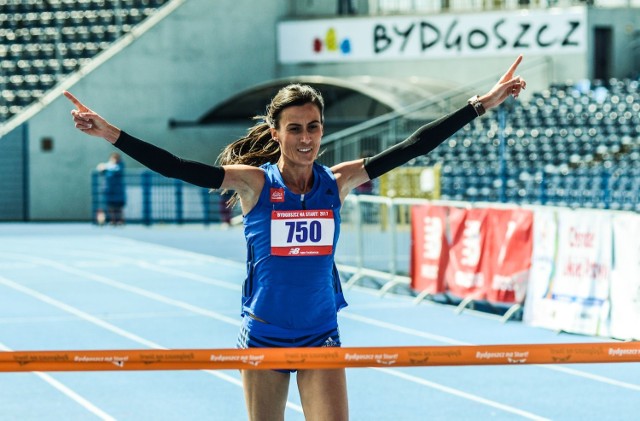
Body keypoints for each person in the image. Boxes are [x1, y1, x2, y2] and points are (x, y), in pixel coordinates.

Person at [64, 55, 525, 421]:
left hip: (320, 335)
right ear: (276, 132)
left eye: (314, 127)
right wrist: (111, 134)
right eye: (295, 128)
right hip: (264, 337)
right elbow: (178, 167)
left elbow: (413, 146)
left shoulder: (337, 181)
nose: (306, 138)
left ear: (323, 130)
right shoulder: (254, 185)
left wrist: (480, 104)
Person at [96, 152, 126, 225]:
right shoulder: (108, 165)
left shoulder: (120, 165)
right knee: (110, 206)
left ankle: (120, 221)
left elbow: (115, 170)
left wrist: (105, 168)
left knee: (119, 206)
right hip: (109, 189)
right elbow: (100, 168)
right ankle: (113, 221)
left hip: (118, 190)